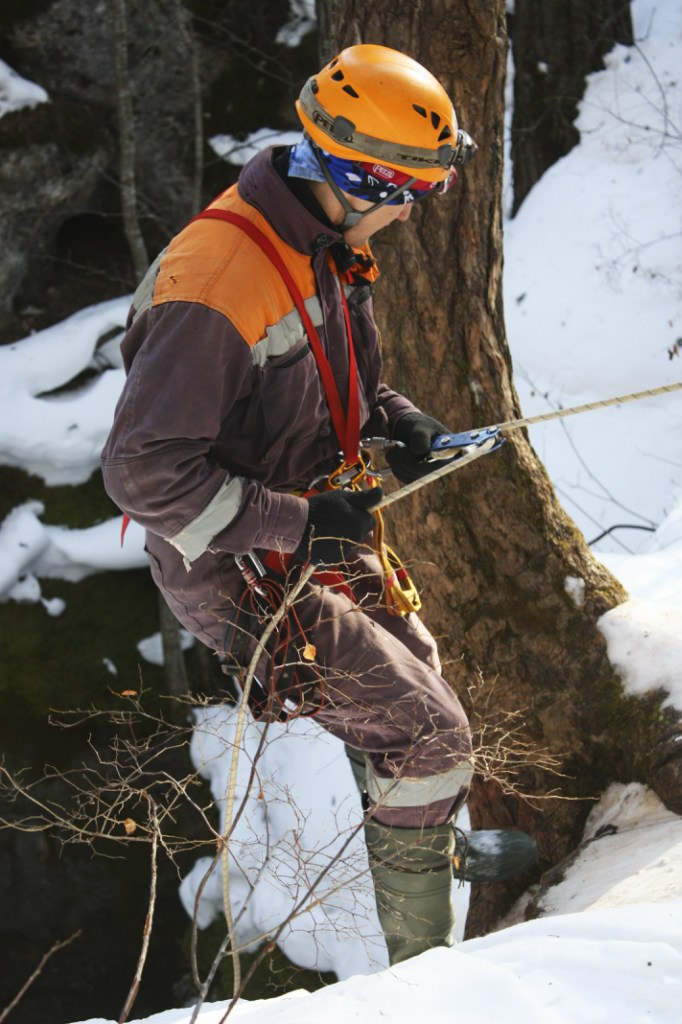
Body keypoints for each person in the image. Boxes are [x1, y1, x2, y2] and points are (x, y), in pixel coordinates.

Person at [102, 43, 534, 966]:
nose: (414, 211)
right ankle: (424, 974)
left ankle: (419, 845)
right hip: (236, 560)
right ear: (358, 176)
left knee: (418, 671)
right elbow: (142, 473)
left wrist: (400, 421)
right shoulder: (219, 283)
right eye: (413, 191)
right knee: (428, 733)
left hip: (307, 522)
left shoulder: (322, 235)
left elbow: (326, 377)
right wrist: (298, 524)